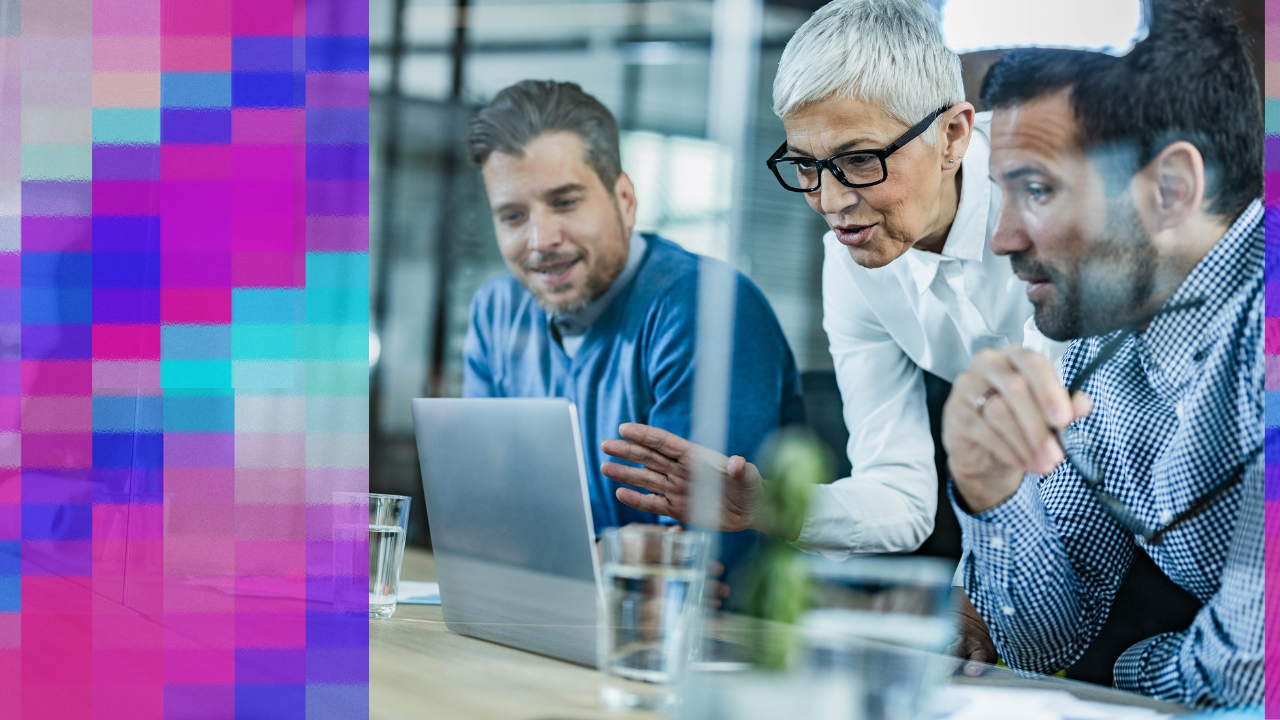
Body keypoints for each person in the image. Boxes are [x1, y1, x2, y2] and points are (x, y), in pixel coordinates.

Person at [602, 1, 1059, 563]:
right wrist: (767, 507)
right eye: (805, 165)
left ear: (954, 135)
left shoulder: (1052, 198)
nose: (830, 200)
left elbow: (1057, 453)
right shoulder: (851, 262)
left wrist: (977, 591)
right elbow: (900, 493)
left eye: (861, 159)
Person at [942, 0, 1263, 707]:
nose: (1003, 239)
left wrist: (1124, 667)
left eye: (1037, 189)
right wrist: (991, 492)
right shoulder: (1104, 334)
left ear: (1172, 190)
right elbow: (1044, 641)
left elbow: (1251, 668)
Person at [462, 80, 804, 583]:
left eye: (565, 203)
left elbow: (692, 565)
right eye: (513, 216)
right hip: (551, 622)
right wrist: (599, 560)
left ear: (624, 199)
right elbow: (480, 519)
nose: (540, 241)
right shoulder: (495, 313)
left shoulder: (704, 308)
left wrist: (550, 559)